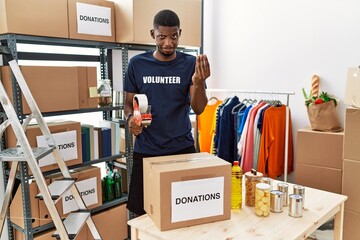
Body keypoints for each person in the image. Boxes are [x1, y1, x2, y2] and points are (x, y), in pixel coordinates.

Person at [123, 9, 211, 216]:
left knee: (185, 210)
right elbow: (128, 104)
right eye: (162, 37)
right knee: (143, 213)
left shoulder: (190, 64)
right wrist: (130, 120)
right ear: (153, 34)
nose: (168, 43)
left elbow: (198, 108)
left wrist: (198, 82)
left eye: (174, 36)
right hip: (146, 150)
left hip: (181, 149)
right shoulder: (137, 64)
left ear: (179, 33)